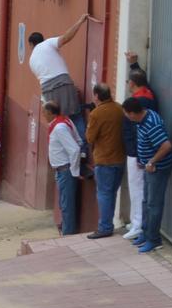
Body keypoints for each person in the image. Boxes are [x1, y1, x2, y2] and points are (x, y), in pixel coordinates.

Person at [123, 97, 172, 254]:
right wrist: (142, 159)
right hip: (147, 166)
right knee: (146, 201)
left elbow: (166, 146)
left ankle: (154, 239)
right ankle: (145, 233)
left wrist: (151, 162)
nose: (125, 116)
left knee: (154, 204)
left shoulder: (151, 124)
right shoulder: (141, 119)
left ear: (132, 113)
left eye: (126, 113)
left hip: (157, 169)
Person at [28, 14, 89, 141]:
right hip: (63, 83)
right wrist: (80, 21)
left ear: (30, 44)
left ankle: (66, 148)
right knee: (76, 116)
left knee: (58, 121)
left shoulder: (31, 60)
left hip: (47, 91)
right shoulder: (48, 43)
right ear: (42, 39)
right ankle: (83, 149)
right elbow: (66, 37)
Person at [122, 53, 158, 240]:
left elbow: (136, 130)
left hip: (137, 153)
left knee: (137, 188)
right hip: (139, 151)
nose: (127, 83)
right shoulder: (146, 94)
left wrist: (136, 154)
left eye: (129, 80)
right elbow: (142, 80)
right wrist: (134, 64)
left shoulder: (140, 101)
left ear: (132, 84)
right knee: (138, 188)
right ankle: (136, 221)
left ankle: (137, 224)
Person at [85, 83, 126, 239]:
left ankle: (105, 227)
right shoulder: (119, 108)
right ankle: (108, 224)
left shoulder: (96, 114)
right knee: (112, 193)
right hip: (120, 158)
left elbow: (89, 137)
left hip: (104, 160)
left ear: (96, 96)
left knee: (103, 193)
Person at [44, 101, 81, 235]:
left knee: (66, 205)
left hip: (65, 170)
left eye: (45, 113)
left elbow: (75, 149)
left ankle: (68, 234)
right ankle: (66, 230)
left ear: (50, 113)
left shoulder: (59, 127)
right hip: (62, 170)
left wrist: (75, 171)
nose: (44, 115)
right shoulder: (65, 121)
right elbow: (78, 141)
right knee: (65, 203)